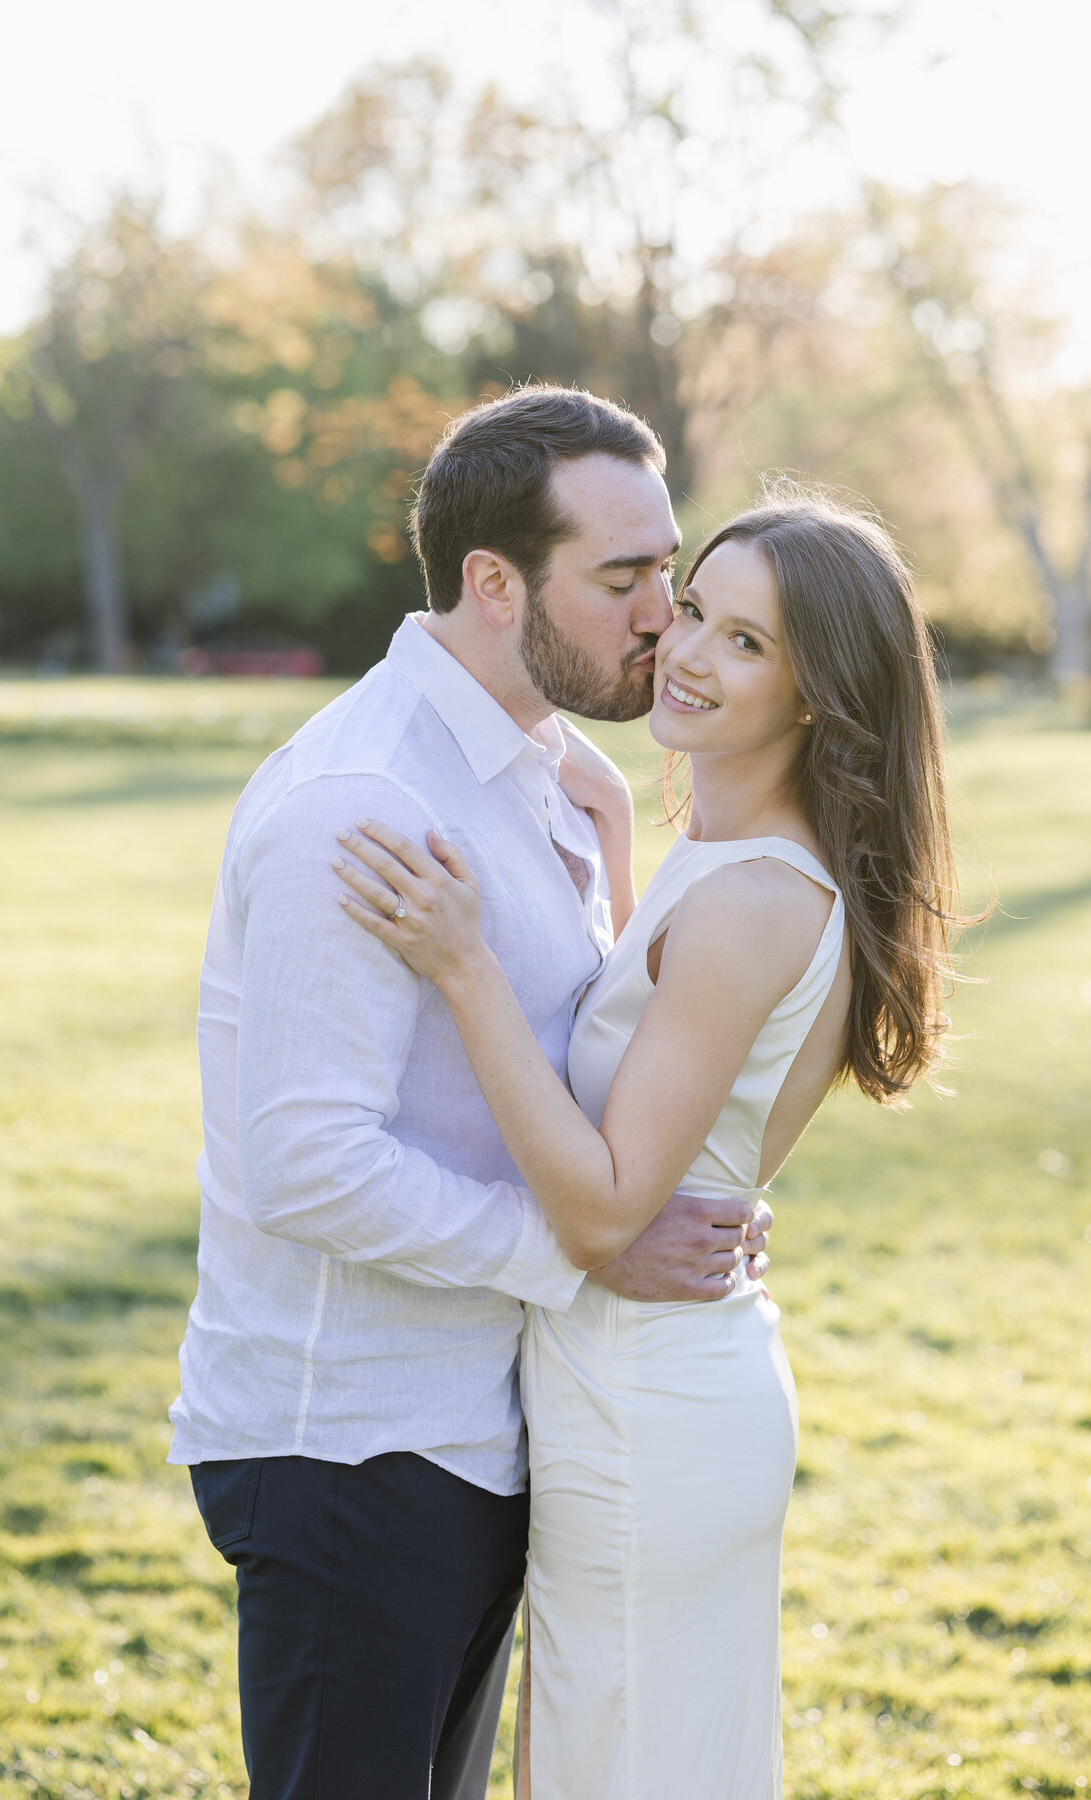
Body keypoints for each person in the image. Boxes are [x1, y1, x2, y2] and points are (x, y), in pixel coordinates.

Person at [167, 385, 776, 1800]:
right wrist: (588, 1250)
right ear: (495, 584)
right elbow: (309, 1165)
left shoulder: (547, 778)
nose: (664, 618)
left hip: (479, 1423)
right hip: (353, 1449)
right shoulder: (365, 802)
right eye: (624, 580)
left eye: (667, 575)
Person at [334, 490, 961, 1799]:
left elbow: (611, 1201)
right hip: (661, 1384)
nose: (686, 651)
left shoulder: (749, 899)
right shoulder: (730, 862)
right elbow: (653, 1040)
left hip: (647, 1411)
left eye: (747, 644)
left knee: (611, 1766)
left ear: (817, 695)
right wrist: (623, 844)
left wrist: (466, 969)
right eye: (693, 609)